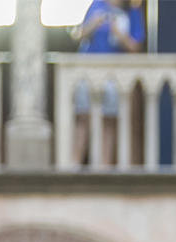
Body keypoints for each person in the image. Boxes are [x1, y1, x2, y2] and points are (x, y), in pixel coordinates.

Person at [72, 0, 144, 168]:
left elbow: (136, 47)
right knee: (83, 117)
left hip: (115, 75)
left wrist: (118, 33)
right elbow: (78, 34)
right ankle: (75, 162)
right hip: (88, 71)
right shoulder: (96, 5)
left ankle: (104, 164)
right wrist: (93, 24)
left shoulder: (132, 12)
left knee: (109, 120)